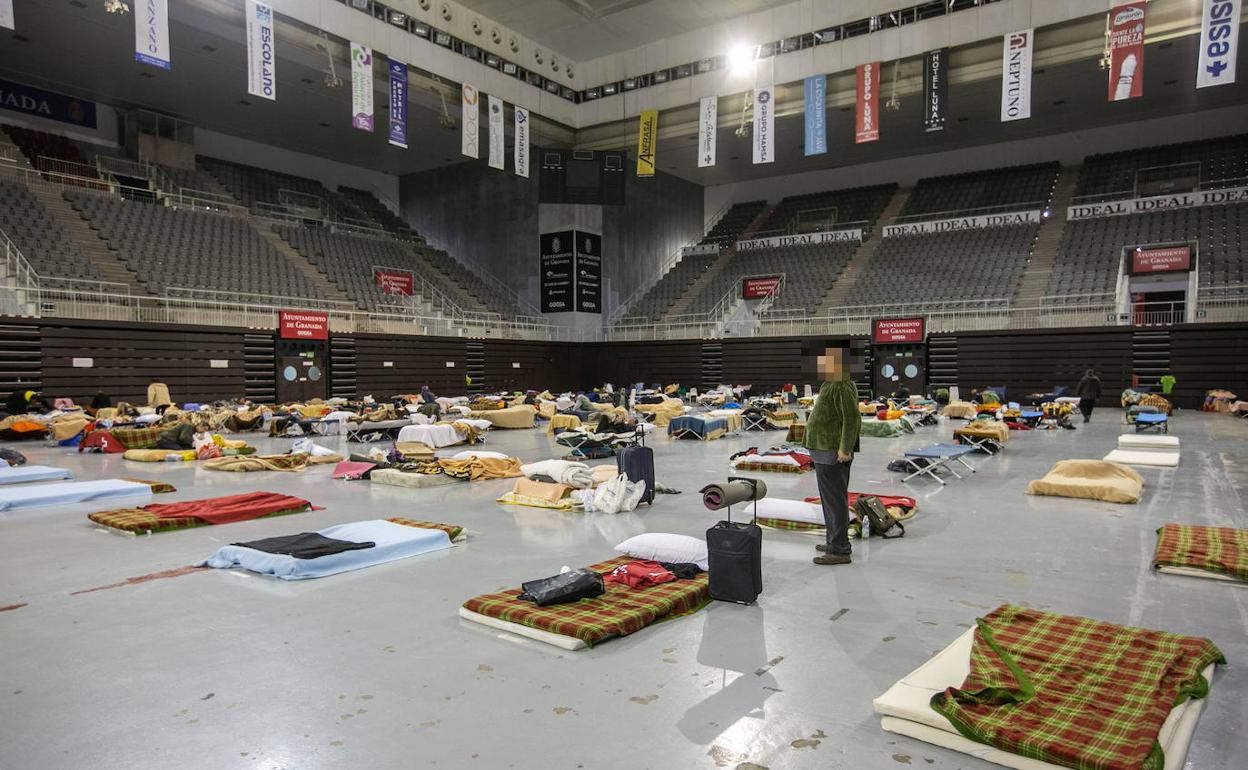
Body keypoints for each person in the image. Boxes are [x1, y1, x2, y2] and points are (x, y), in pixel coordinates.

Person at [804, 345, 862, 566]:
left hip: (832, 452)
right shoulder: (831, 382)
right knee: (830, 502)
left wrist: (845, 449)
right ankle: (834, 541)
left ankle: (839, 550)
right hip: (823, 451)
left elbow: (852, 419)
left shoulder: (842, 383)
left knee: (835, 502)